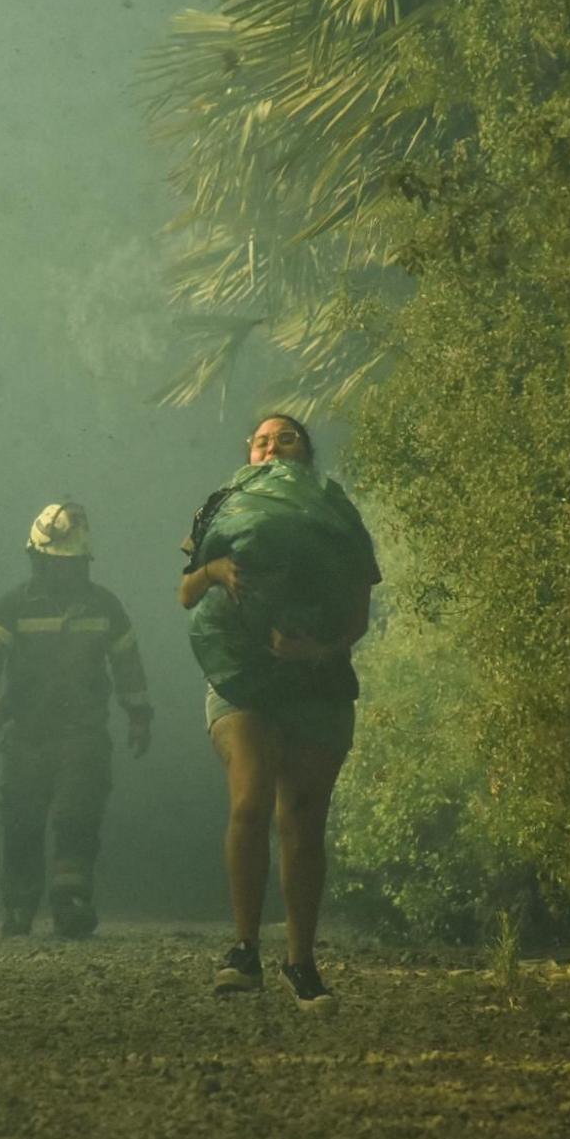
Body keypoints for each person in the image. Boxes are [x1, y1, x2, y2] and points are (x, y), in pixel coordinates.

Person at [177, 414, 380, 1015]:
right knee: (250, 799)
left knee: (302, 820)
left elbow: (357, 612)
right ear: (250, 453)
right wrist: (215, 569)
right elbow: (187, 592)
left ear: (305, 453)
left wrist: (316, 650)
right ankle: (243, 950)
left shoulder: (337, 513)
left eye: (285, 438)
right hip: (239, 676)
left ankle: (302, 962)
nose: (272, 445)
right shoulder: (220, 506)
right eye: (262, 440)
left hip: (317, 681)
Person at [0, 502, 153, 938]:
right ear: (37, 559)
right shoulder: (12, 605)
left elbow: (127, 664)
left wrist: (139, 715)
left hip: (83, 734)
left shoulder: (105, 606)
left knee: (77, 814)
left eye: (70, 564)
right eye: (54, 563)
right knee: (21, 818)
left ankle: (71, 903)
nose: (62, 572)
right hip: (27, 734)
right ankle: (19, 906)